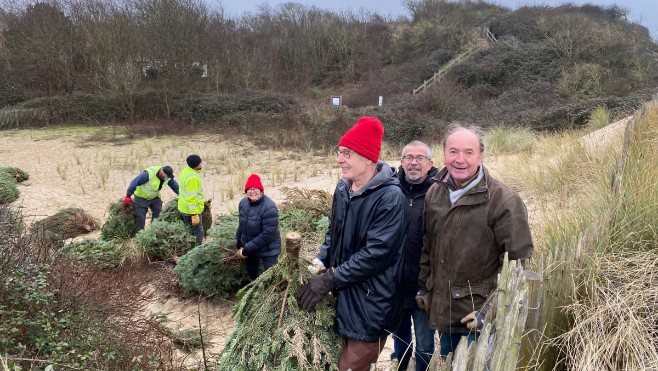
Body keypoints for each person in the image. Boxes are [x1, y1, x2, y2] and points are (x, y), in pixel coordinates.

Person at [297, 116, 409, 371]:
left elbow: (376, 254)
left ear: (368, 157)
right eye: (339, 153)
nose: (339, 159)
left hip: (371, 305)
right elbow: (333, 233)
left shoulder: (391, 198)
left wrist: (330, 279)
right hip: (342, 298)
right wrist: (321, 260)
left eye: (347, 153)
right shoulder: (342, 188)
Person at [417, 126, 533, 357]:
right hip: (446, 312)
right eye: (453, 151)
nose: (460, 159)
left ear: (480, 156)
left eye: (468, 152)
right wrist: (424, 288)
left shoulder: (504, 201)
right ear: (444, 154)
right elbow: (428, 246)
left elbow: (518, 263)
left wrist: (488, 310)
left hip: (477, 319)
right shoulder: (435, 193)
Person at [390, 141, 438, 371]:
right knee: (399, 341)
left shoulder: (439, 194)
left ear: (430, 164)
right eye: (409, 157)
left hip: (424, 285)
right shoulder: (390, 191)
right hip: (395, 285)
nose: (414, 163)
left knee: (425, 344)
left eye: (420, 158)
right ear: (401, 162)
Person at [235, 173, 281, 280]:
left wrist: (247, 248)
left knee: (271, 278)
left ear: (261, 190)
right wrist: (239, 240)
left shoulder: (269, 207)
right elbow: (242, 223)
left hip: (269, 248)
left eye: (255, 189)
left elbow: (267, 234)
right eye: (249, 189)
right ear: (246, 191)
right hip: (251, 247)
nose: (252, 191)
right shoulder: (243, 203)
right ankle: (254, 290)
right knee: (252, 275)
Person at [124, 165, 179, 231]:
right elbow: (134, 183)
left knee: (158, 213)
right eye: (166, 176)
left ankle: (153, 231)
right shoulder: (148, 174)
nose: (167, 178)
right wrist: (128, 195)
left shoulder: (168, 177)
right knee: (140, 217)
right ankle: (139, 234)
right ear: (162, 173)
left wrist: (182, 196)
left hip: (155, 197)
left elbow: (175, 187)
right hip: (141, 197)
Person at [177, 154, 205, 245]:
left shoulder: (186, 171)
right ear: (197, 165)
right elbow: (191, 197)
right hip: (191, 211)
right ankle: (197, 252)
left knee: (189, 231)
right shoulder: (193, 178)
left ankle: (189, 247)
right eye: (200, 162)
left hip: (184, 207)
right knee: (198, 233)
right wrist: (194, 214)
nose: (201, 164)